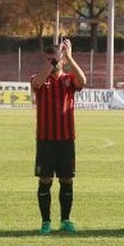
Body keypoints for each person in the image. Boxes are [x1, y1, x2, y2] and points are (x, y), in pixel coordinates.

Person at [30, 38, 85, 235]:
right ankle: (45, 221)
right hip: (45, 139)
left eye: (54, 59)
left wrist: (69, 57)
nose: (51, 62)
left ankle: (65, 219)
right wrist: (53, 61)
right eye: (47, 59)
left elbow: (83, 81)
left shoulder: (69, 79)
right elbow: (36, 82)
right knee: (45, 180)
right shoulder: (39, 78)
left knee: (66, 180)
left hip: (66, 139)